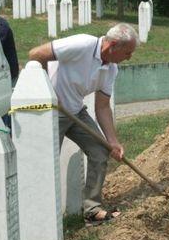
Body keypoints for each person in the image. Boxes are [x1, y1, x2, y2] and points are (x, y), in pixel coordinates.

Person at [29, 23, 138, 223]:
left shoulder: (111, 70)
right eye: (128, 52)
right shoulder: (82, 44)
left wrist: (112, 141)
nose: (129, 57)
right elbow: (36, 54)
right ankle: (40, 219)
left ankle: (92, 210)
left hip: (76, 112)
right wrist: (49, 94)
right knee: (46, 163)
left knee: (100, 151)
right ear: (113, 45)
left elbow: (103, 107)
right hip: (52, 112)